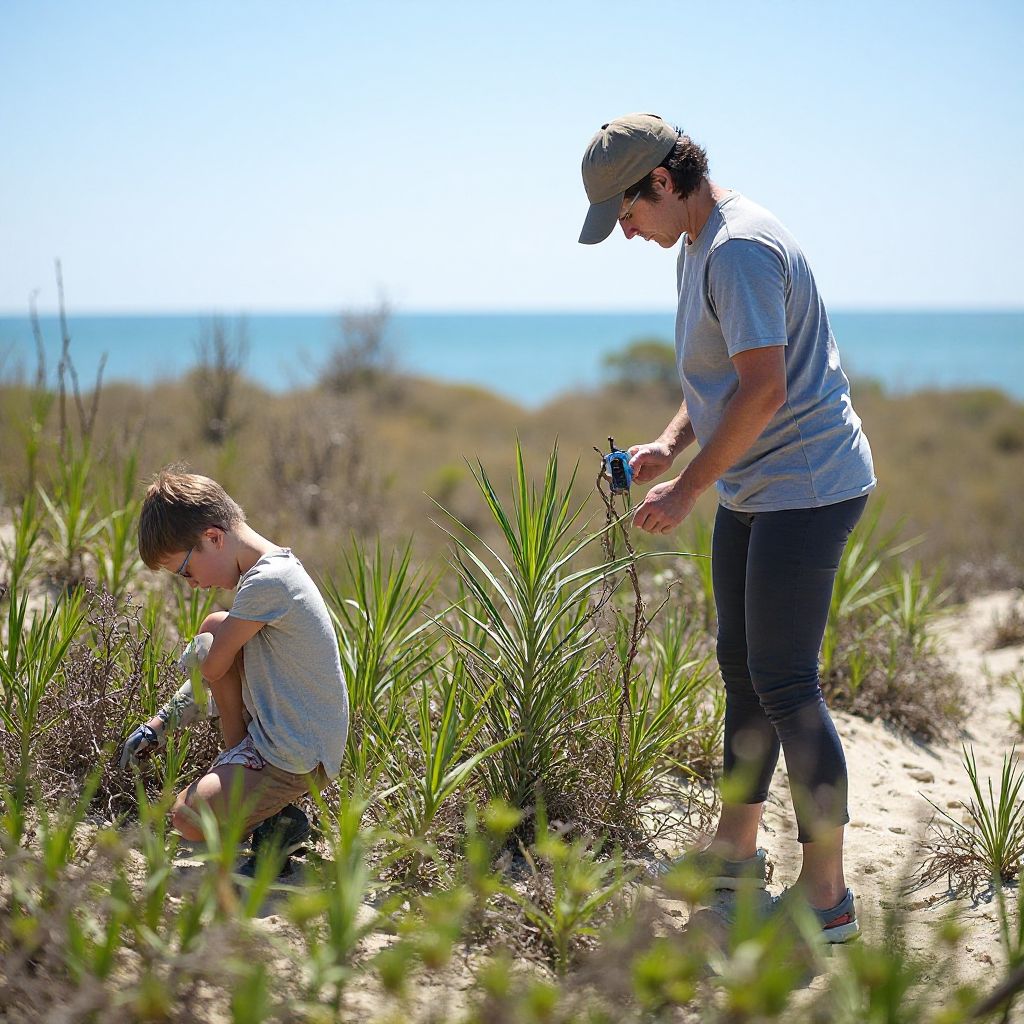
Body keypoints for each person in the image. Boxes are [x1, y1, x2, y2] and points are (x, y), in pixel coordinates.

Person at [578, 114, 875, 943]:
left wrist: (685, 490)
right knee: (743, 672)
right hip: (754, 484)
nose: (629, 233)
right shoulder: (699, 244)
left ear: (662, 183)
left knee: (786, 685)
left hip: (806, 488)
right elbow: (718, 376)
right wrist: (667, 446)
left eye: (628, 215)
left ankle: (828, 898)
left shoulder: (739, 249)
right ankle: (735, 853)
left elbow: (765, 390)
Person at [121, 467, 349, 870]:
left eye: (186, 571)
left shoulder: (270, 582)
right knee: (214, 628)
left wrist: (196, 680)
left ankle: (278, 824)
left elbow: (213, 666)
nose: (191, 584)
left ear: (213, 537)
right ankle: (257, 796)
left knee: (186, 819)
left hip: (296, 753)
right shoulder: (263, 577)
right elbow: (214, 657)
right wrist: (158, 724)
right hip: (280, 740)